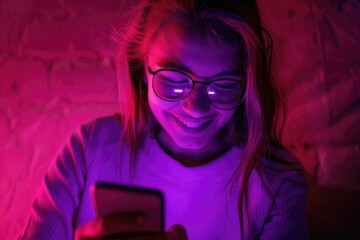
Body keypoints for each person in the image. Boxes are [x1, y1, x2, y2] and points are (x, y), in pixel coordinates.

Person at [20, 0, 309, 239]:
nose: (196, 109)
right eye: (173, 81)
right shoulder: (88, 151)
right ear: (142, 70)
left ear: (248, 85)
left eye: (223, 85)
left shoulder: (277, 184)